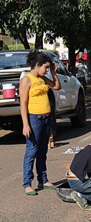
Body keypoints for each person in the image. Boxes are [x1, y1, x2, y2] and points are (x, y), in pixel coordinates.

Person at [19, 50, 61, 196]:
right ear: (37, 65)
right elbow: (23, 104)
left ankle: (43, 179)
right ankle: (27, 183)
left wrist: (54, 73)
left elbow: (56, 86)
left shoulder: (43, 78)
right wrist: (25, 124)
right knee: (32, 151)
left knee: (43, 150)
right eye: (46, 67)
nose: (47, 70)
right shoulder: (27, 80)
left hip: (46, 118)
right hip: (34, 119)